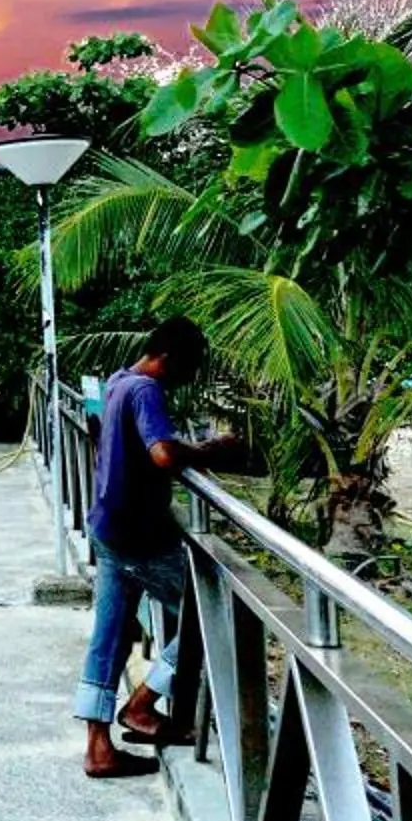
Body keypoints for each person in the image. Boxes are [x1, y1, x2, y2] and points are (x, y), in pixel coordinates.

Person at [77, 317, 242, 780]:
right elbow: (164, 455)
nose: (188, 379)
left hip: (108, 526)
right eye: (188, 368)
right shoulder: (146, 390)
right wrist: (212, 451)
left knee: (107, 638)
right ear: (168, 358)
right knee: (212, 619)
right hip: (139, 537)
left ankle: (98, 746)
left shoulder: (117, 382)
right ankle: (143, 705)